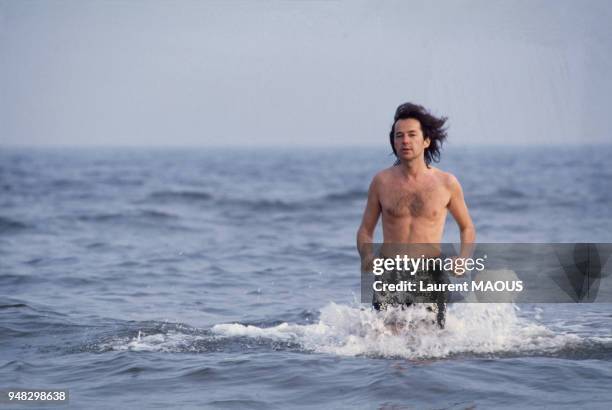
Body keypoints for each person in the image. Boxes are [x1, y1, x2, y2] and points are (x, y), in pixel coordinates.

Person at [356, 102, 476, 329]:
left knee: (428, 349)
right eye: (399, 136)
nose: (405, 141)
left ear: (426, 141)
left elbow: (467, 227)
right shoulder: (381, 182)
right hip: (390, 274)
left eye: (412, 135)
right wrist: (366, 255)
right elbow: (365, 229)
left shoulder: (446, 183)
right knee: (387, 348)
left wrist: (463, 259)